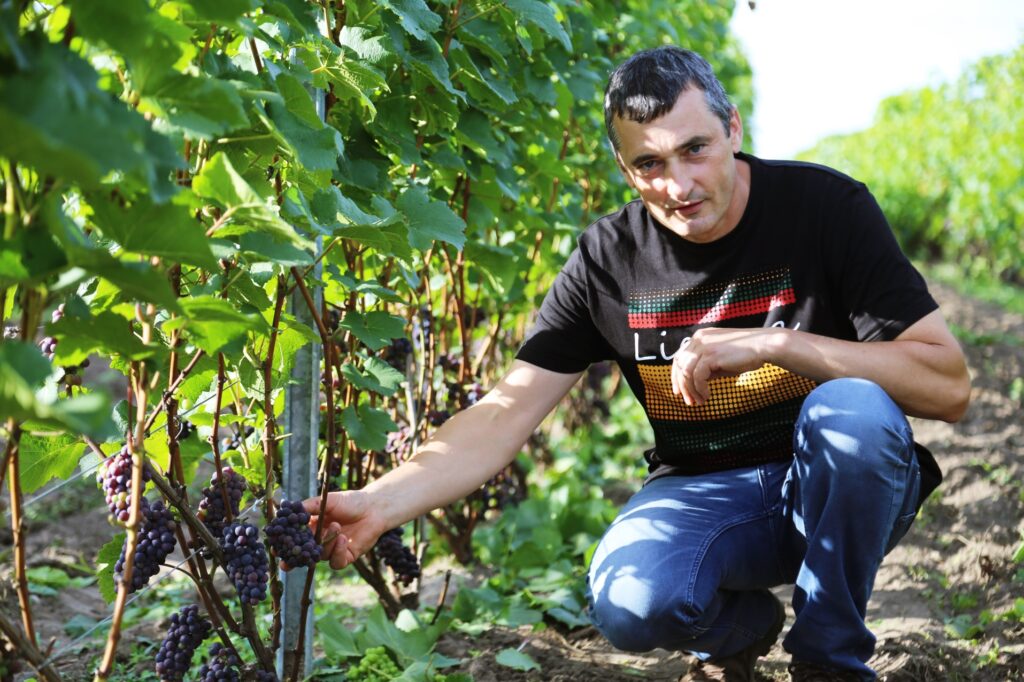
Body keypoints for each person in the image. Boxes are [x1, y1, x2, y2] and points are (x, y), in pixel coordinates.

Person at [305, 46, 971, 682]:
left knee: (852, 409)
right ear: (625, 171)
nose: (678, 185)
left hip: (843, 490)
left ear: (733, 129)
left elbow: (948, 388)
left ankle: (828, 658)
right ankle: (738, 632)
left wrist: (778, 345)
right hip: (711, 496)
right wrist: (380, 503)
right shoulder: (608, 259)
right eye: (649, 163)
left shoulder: (825, 208)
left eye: (695, 149)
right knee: (630, 601)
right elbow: (503, 415)